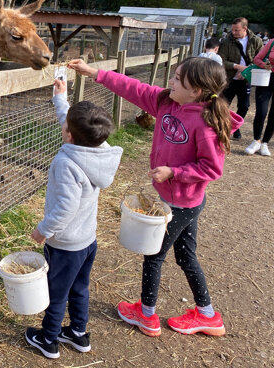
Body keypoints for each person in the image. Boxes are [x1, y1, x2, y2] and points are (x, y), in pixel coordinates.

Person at [68, 56, 242, 338]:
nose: (170, 82)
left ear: (196, 90)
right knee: (185, 255)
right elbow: (133, 88)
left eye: (177, 79)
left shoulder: (205, 123)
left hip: (182, 203)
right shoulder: (166, 103)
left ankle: (146, 315)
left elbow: (211, 168)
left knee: (154, 255)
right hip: (180, 201)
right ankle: (207, 314)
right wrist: (94, 72)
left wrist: (174, 172)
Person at [25, 78, 123, 359]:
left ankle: (49, 339)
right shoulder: (98, 150)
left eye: (65, 126)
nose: (63, 128)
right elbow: (72, 125)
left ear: (69, 134)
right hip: (87, 239)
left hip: (65, 243)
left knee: (56, 292)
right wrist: (61, 99)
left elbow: (66, 206)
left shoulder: (66, 162)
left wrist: (44, 230)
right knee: (79, 287)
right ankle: (78, 333)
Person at [217, 17, 263, 139]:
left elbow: (260, 59)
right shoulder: (227, 42)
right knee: (223, 104)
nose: (234, 32)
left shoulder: (256, 41)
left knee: (244, 106)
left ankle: (235, 126)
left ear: (245, 29)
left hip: (246, 80)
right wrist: (237, 67)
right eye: (233, 30)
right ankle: (223, 125)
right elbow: (222, 60)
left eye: (237, 30)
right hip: (230, 79)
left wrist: (246, 71)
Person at [244, 38, 274, 156]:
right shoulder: (272, 42)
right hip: (266, 78)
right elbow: (256, 58)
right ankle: (256, 140)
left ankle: (265, 143)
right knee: (261, 111)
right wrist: (264, 65)